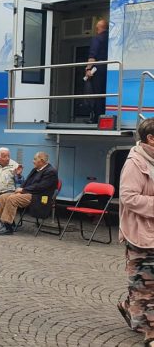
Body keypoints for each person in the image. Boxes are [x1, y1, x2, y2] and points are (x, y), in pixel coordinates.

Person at [118, 118, 154, 346]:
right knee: (147, 286)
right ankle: (151, 333)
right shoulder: (135, 162)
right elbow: (128, 197)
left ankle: (129, 307)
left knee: (144, 283)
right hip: (141, 233)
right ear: (151, 138)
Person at [0, 151, 58, 235]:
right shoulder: (36, 169)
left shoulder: (51, 172)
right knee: (2, 197)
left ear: (42, 161)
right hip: (29, 193)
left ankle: (7, 227)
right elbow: (26, 182)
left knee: (12, 199)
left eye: (35, 159)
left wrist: (23, 191)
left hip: (39, 197)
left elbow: (41, 187)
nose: (33, 161)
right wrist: (20, 189)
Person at [84, 18, 109, 124]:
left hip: (98, 69)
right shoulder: (111, 38)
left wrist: (88, 69)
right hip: (108, 69)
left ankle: (97, 118)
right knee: (104, 93)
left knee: (96, 93)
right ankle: (104, 115)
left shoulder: (97, 38)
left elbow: (92, 55)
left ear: (98, 28)